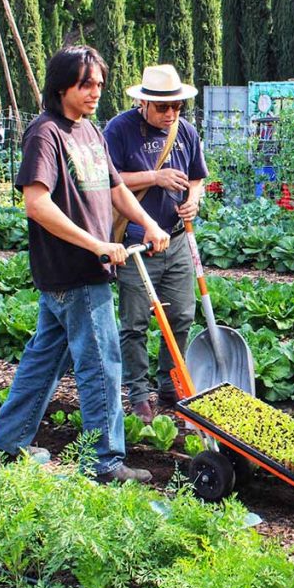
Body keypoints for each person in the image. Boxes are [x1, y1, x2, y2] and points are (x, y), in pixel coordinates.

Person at [0, 46, 170, 483]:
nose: (94, 93)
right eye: (85, 84)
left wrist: (148, 223)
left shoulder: (89, 132)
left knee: (43, 362)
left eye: (99, 85)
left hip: (78, 272)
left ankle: (3, 448)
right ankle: (104, 464)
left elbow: (116, 188)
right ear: (61, 85)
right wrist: (96, 245)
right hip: (75, 270)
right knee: (102, 365)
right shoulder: (45, 133)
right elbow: (36, 203)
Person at [103, 65, 206, 422]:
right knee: (133, 323)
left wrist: (195, 199)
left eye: (176, 107)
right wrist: (155, 177)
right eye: (163, 108)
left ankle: (169, 382)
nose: (170, 114)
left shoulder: (186, 132)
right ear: (143, 103)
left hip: (176, 239)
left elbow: (197, 177)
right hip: (135, 245)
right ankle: (137, 392)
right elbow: (107, 181)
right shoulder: (119, 130)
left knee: (179, 315)